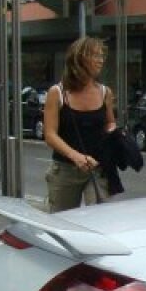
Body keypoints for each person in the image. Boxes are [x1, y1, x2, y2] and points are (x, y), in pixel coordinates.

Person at [43, 37, 116, 212]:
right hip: (65, 169)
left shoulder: (105, 92)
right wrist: (75, 156)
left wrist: (113, 133)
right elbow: (50, 134)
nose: (101, 60)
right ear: (80, 59)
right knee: (62, 222)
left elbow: (110, 122)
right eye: (95, 56)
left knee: (100, 220)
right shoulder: (57, 93)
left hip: (98, 167)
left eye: (102, 56)